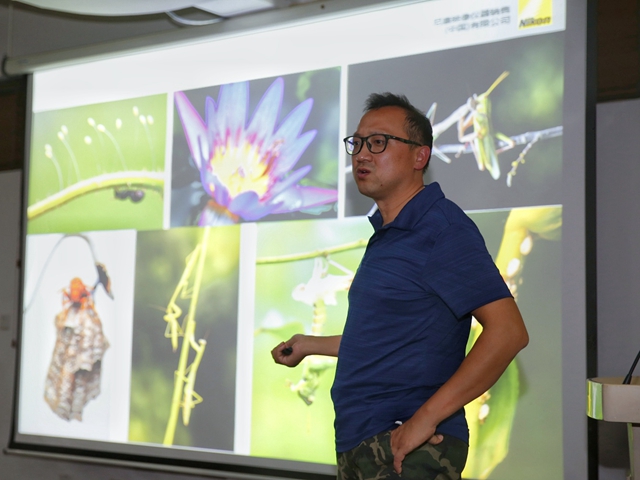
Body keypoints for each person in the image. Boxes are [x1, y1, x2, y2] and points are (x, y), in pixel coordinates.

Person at [271, 93, 529, 480]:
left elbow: (508, 332)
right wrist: (310, 345)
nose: (362, 154)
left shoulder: (442, 229)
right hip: (363, 442)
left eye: (378, 142)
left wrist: (425, 419)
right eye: (357, 143)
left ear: (419, 156)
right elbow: (389, 338)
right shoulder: (390, 234)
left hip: (407, 446)